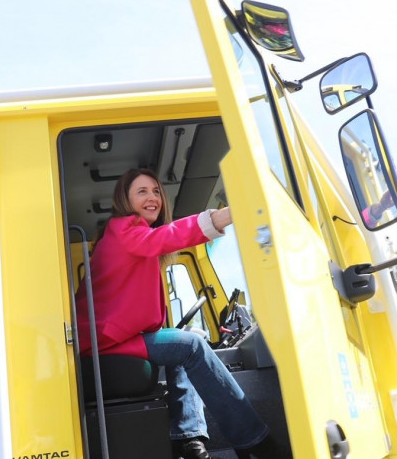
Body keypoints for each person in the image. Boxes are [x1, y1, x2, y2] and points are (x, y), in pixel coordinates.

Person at [75, 169, 281, 459]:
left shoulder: (129, 233)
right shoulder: (123, 228)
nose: (152, 197)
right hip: (103, 343)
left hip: (110, 339)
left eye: (156, 191)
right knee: (192, 345)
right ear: (125, 199)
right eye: (142, 191)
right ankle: (255, 443)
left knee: (185, 341)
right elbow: (169, 236)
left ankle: (187, 437)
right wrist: (223, 216)